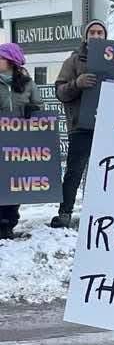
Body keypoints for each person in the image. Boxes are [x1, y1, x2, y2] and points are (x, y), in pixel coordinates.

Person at [50, 19, 107, 229]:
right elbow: (60, 92)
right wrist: (77, 83)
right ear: (86, 36)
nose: (96, 35)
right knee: (74, 171)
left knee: (105, 171)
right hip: (81, 126)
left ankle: (100, 211)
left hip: (108, 127)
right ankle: (65, 212)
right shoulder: (72, 62)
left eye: (100, 32)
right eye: (92, 32)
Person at [0, 42, 41, 240]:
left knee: (14, 183)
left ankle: (9, 222)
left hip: (19, 142)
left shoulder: (28, 84)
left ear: (11, 61)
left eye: (0, 58)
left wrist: (32, 110)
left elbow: (39, 107)